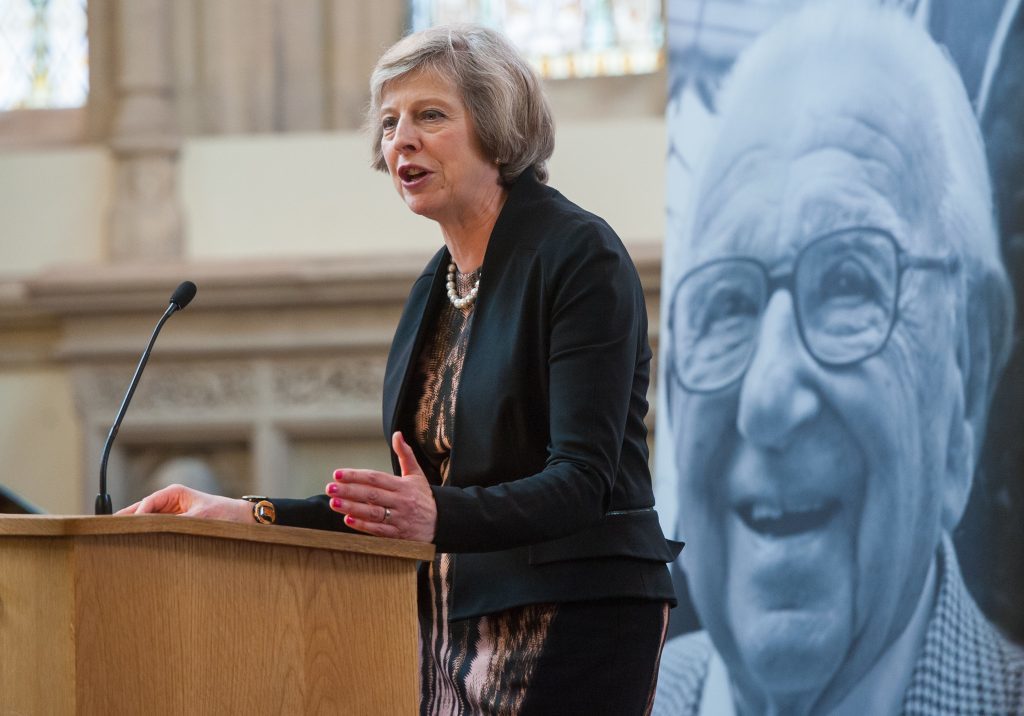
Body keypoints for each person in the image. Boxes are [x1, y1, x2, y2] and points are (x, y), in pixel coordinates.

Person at [118, 24, 681, 715]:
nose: (400, 140)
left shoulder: (577, 256)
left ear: (498, 128)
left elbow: (582, 481)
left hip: (575, 612)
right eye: (388, 123)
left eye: (430, 116)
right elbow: (400, 509)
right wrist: (244, 513)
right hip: (447, 624)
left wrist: (433, 513)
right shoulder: (433, 288)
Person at [654, 3, 1022, 715]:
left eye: (850, 282)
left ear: (967, 370)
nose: (766, 399)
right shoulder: (615, 696)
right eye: (728, 303)